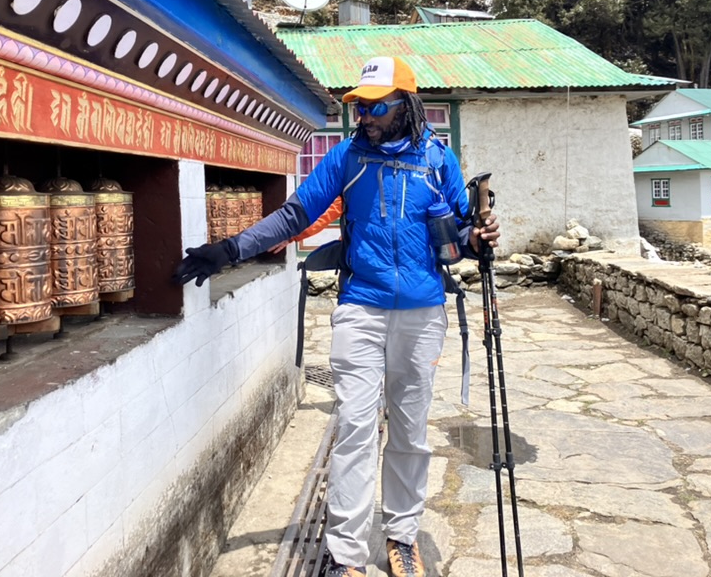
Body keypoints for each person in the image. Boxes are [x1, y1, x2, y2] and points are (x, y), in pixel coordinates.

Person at [173, 55, 500, 577]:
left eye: (376, 106)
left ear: (406, 105)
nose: (364, 116)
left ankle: (402, 537)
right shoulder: (348, 157)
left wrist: (478, 239)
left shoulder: (440, 160)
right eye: (359, 106)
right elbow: (294, 214)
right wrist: (231, 250)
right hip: (361, 310)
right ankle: (347, 556)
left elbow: (459, 236)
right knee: (353, 427)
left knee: (411, 433)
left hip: (422, 313)